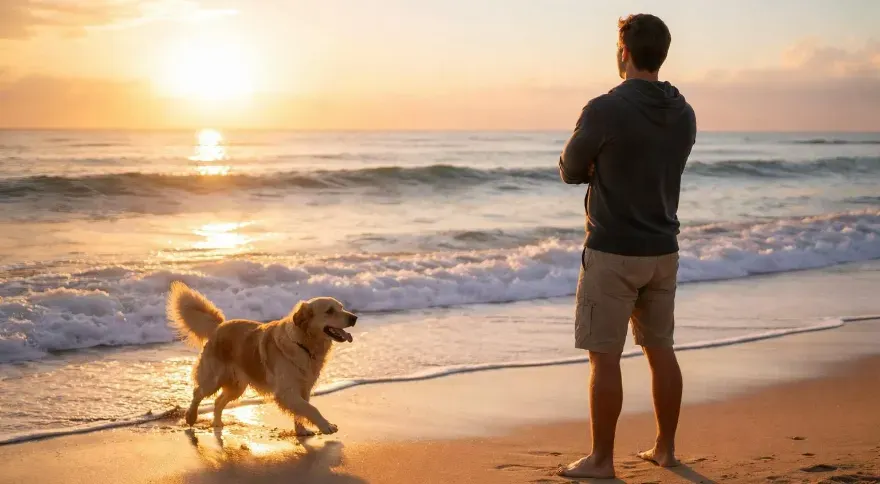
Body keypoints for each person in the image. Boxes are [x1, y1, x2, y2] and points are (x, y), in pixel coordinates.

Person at [556, 13, 697, 479]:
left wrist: (599, 165)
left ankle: (600, 460)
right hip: (663, 249)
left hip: (613, 251)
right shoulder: (683, 111)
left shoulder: (604, 109)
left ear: (624, 53)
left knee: (605, 357)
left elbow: (571, 169)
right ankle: (666, 449)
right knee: (661, 350)